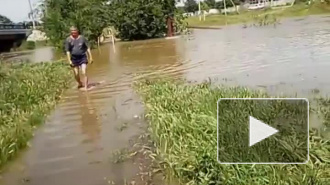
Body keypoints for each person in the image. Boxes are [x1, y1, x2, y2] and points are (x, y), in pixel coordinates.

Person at [65, 26, 93, 90]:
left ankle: (86, 87)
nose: (74, 34)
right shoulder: (68, 40)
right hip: (74, 58)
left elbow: (88, 48)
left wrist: (90, 57)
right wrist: (69, 61)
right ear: (70, 33)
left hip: (82, 57)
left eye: (75, 32)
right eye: (72, 33)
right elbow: (67, 51)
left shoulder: (82, 38)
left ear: (77, 31)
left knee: (84, 72)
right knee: (76, 74)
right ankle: (80, 83)